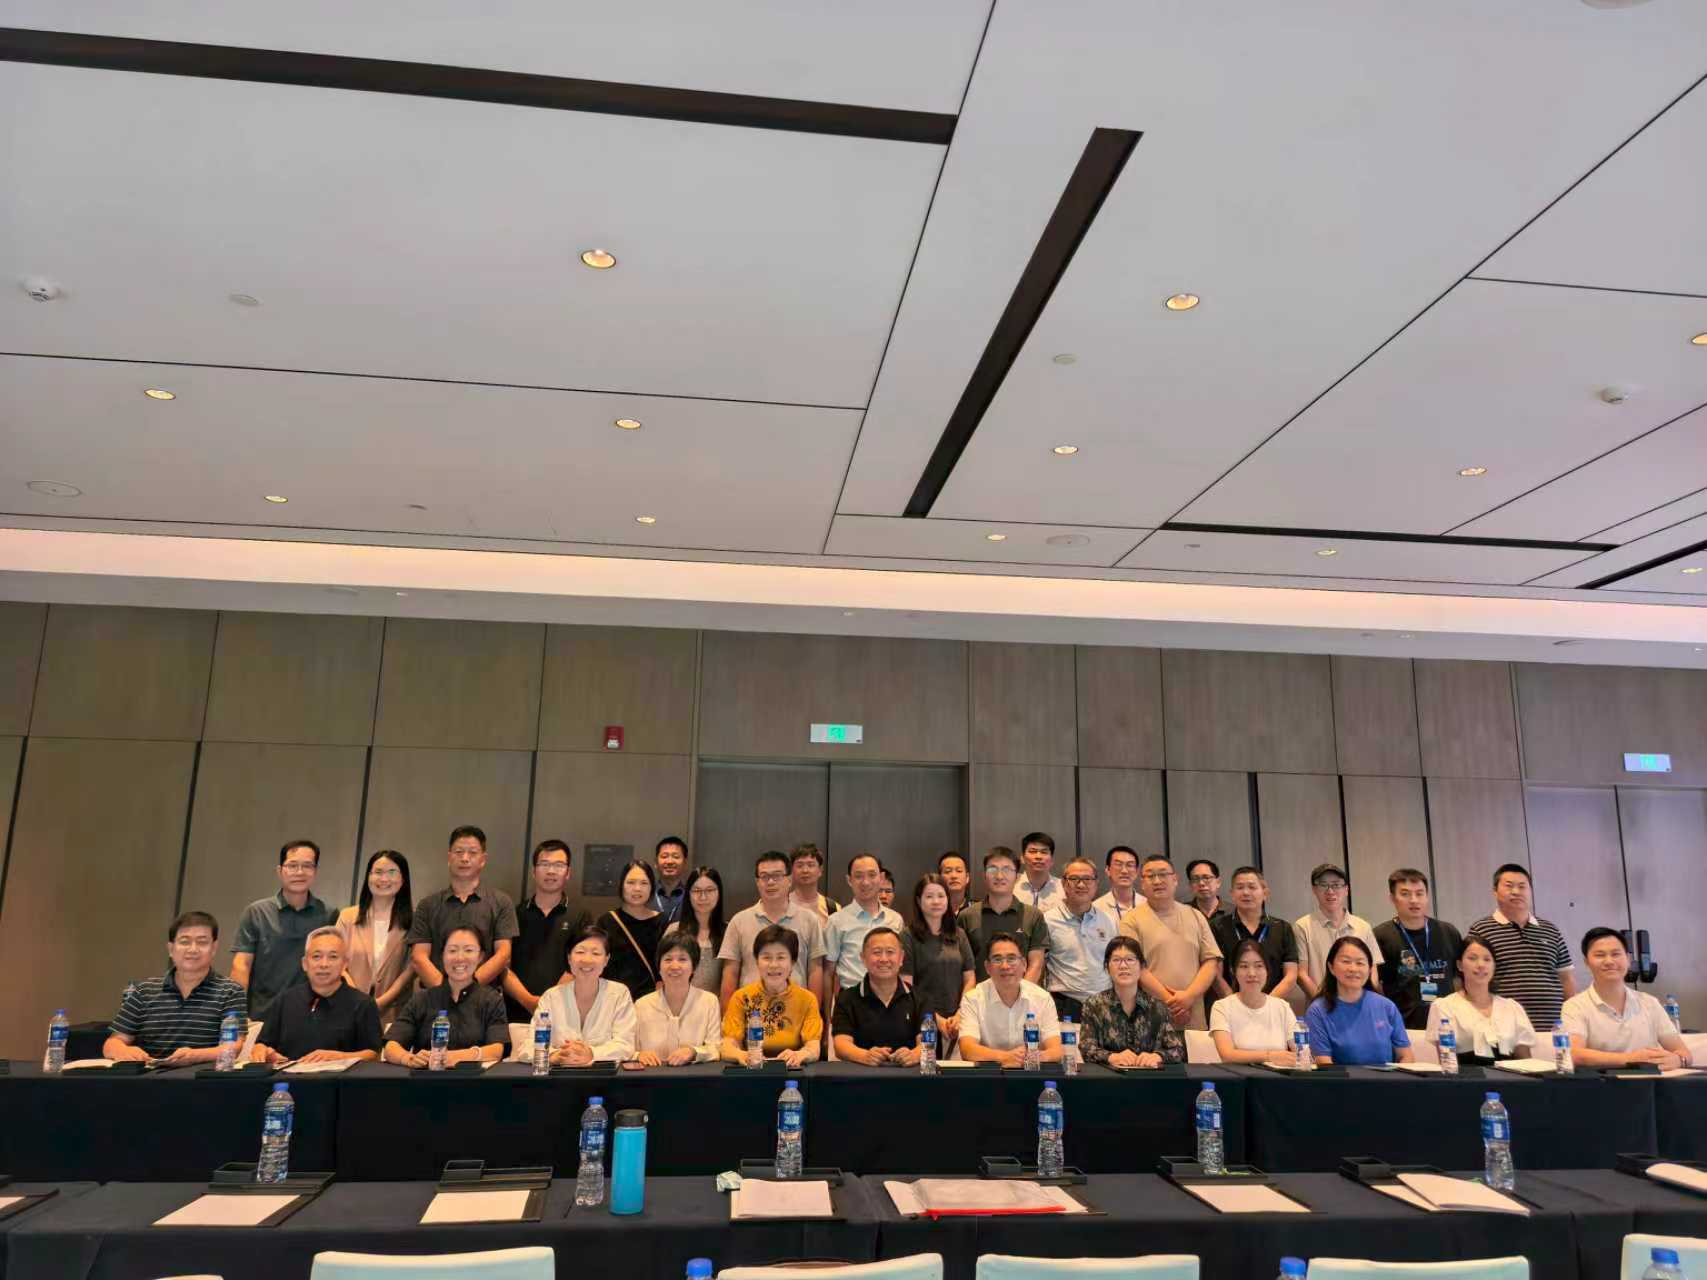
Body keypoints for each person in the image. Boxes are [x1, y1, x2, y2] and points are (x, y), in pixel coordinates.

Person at [104, 911, 248, 1063]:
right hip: (149, 1074)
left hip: (203, 1075)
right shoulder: (144, 991)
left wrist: (195, 1056)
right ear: (171, 949)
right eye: (185, 942)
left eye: (202, 942)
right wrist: (123, 1050)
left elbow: (233, 1046)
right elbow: (112, 1043)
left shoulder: (231, 992)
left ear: (214, 948)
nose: (193, 949)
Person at [230, 839, 336, 1019]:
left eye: (307, 866)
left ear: (315, 872)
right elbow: (241, 965)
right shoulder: (257, 912)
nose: (300, 872)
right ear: (280, 871)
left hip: (310, 1017)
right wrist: (237, 1015)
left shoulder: (329, 915)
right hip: (260, 1015)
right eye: (292, 865)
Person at [1561, 927, 1694, 1070]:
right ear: (1587, 962)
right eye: (1600, 955)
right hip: (1602, 1082)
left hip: (1650, 1082)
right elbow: (1574, 1054)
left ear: (1628, 960)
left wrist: (1678, 1060)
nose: (1609, 961)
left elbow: (1684, 1053)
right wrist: (1631, 1059)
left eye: (1616, 954)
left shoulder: (1649, 1003)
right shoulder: (1575, 1006)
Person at [1467, 864, 1577, 1034]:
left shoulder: (1550, 930)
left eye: (1522, 886)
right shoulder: (1481, 930)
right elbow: (1472, 979)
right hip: (1504, 1028)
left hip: (1553, 1027)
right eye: (1509, 886)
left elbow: (1566, 978)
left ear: (1530, 891)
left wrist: (1572, 1019)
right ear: (1495, 891)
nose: (1516, 892)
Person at [406, 825, 519, 989]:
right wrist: (446, 992)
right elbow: (419, 957)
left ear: (483, 859)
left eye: (472, 853)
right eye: (459, 852)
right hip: (434, 997)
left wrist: (467, 989)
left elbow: (503, 954)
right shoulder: (427, 905)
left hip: (485, 997)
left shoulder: (501, 902)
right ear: (449, 857)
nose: (465, 858)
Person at [1118, 856, 1222, 1030]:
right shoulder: (1131, 920)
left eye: (1163, 874)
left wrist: (1189, 996)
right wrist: (1172, 1002)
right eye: (1150, 876)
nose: (1157, 881)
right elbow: (1135, 967)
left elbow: (1211, 962)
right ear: (1142, 883)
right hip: (1151, 1019)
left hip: (1194, 1015)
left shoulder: (1195, 915)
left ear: (1175, 879)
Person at [251, 927, 382, 1064]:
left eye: (333, 957)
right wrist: (263, 1052)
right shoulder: (285, 1000)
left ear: (345, 964)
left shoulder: (363, 1004)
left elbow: (374, 1054)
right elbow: (262, 1044)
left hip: (341, 1077)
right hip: (289, 1076)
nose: (324, 964)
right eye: (316, 957)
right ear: (304, 964)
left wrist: (339, 1057)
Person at [383, 924, 508, 1066]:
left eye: (468, 950)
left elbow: (497, 1050)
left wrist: (455, 1057)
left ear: (480, 956)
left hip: (474, 1078)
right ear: (442, 955)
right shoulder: (422, 999)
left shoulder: (491, 1000)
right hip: (428, 1077)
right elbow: (391, 1046)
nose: (460, 958)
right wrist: (408, 1058)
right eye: (452, 950)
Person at [719, 851, 827, 1008]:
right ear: (757, 882)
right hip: (751, 1012)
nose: (770, 882)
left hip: (796, 1012)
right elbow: (731, 972)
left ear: (789, 880)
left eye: (777, 876)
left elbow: (815, 970)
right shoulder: (739, 921)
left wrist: (812, 1013)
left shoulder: (809, 920)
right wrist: (728, 1015)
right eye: (764, 877)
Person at [502, 839, 592, 1023]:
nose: (551, 871)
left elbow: (582, 963)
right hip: (517, 1012)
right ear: (534, 871)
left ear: (568, 872)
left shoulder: (581, 915)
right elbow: (503, 965)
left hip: (565, 1013)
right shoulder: (515, 914)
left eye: (558, 865)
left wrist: (549, 1002)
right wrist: (528, 1001)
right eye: (544, 864)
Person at [721, 925, 823, 1068]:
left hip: (792, 1072)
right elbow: (727, 1046)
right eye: (766, 957)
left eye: (781, 957)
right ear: (757, 961)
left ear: (793, 962)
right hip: (752, 1071)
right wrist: (741, 1055)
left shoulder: (807, 999)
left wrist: (800, 1054)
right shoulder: (742, 997)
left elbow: (814, 1047)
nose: (774, 965)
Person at [1373, 868, 1463, 1030]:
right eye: (1405, 894)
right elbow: (1376, 986)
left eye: (1419, 893)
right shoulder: (1380, 936)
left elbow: (1459, 978)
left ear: (1427, 896)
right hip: (1403, 1027)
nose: (1414, 900)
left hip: (1448, 1025)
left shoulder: (1448, 932)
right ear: (1392, 898)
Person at [1304, 937, 1414, 1066]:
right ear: (1331, 967)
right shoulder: (1317, 1011)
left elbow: (1406, 1056)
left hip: (1389, 1078)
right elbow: (1324, 1064)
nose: (1353, 969)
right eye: (1346, 961)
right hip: (1341, 1078)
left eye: (1360, 963)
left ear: (1370, 969)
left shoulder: (1386, 1006)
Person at [335, 849, 415, 1026]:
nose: (384, 879)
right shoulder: (347, 917)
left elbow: (411, 968)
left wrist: (381, 1002)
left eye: (392, 872)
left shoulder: (414, 921)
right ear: (368, 877)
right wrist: (357, 998)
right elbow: (336, 960)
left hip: (393, 1013)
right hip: (348, 1008)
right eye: (378, 872)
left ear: (403, 879)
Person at [1424, 935, 1535, 1063]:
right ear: (1459, 965)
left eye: (1487, 959)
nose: (1481, 965)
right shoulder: (1444, 1007)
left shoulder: (1512, 1008)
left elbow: (1526, 1063)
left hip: (1511, 1075)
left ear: (1494, 966)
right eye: (1472, 958)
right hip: (1466, 1075)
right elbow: (1447, 1062)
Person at [1080, 936, 1186, 1068]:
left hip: (1148, 1076)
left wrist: (1157, 1056)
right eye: (1116, 960)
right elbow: (1086, 1048)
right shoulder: (1094, 1005)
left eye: (1130, 959)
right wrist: (1112, 1057)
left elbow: (1177, 1050)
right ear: (1107, 967)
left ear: (1142, 967)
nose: (1123, 966)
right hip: (1109, 1077)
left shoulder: (1157, 1007)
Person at [958, 933, 1063, 1065]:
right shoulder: (972, 999)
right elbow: (967, 1049)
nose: (1005, 966)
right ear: (987, 967)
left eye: (1011, 959)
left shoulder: (1042, 998)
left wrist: (1034, 1057)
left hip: (1031, 1071)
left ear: (1024, 964)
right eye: (997, 959)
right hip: (989, 1073)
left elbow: (1057, 1050)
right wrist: (1005, 1057)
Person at [536, 926, 637, 1063]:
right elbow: (530, 1044)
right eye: (580, 952)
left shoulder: (619, 994)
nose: (587, 959)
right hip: (560, 1074)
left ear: (606, 960)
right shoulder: (551, 997)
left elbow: (625, 1045)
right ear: (569, 958)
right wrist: (554, 1055)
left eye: (596, 953)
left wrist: (591, 1053)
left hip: (604, 1075)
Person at [900, 873, 976, 1047]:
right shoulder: (908, 936)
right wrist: (936, 1019)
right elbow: (907, 985)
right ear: (918, 901)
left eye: (941, 896)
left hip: (958, 1020)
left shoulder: (958, 934)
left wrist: (960, 1013)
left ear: (948, 900)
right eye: (929, 896)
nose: (936, 901)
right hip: (922, 1021)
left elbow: (970, 978)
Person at [831, 927, 924, 1066]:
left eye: (890, 952)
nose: (884, 959)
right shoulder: (846, 998)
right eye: (877, 952)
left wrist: (914, 1055)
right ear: (863, 958)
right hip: (861, 1076)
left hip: (909, 1075)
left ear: (901, 958)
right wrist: (865, 1056)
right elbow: (841, 1044)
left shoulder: (920, 998)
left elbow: (928, 1043)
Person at [1041, 857, 1119, 1021]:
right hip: (1065, 1004)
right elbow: (1039, 965)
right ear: (1064, 883)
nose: (1081, 885)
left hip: (1105, 1003)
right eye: (1074, 879)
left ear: (1096, 883)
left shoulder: (1108, 920)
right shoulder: (1048, 920)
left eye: (1087, 879)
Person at [1293, 863, 1382, 1007]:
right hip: (1321, 1009)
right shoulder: (1302, 926)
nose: (1330, 891)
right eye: (1323, 885)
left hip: (1360, 1007)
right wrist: (1325, 1004)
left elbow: (1372, 971)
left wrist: (1362, 1002)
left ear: (1346, 890)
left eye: (1336, 885)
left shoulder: (1363, 927)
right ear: (1314, 890)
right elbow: (1301, 974)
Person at [957, 847, 1050, 982]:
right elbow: (964, 968)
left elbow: (1036, 964)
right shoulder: (967, 916)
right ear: (984, 876)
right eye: (992, 869)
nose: (999, 876)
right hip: (979, 993)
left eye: (1007, 870)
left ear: (1017, 877)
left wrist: (1020, 993)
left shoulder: (1033, 915)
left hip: (1022, 993)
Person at [633, 934, 722, 1066]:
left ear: (694, 967)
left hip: (694, 1076)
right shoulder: (642, 1005)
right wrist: (638, 1054)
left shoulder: (709, 1001)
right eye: (668, 959)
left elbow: (716, 1048)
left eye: (682, 959)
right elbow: (628, 1047)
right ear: (659, 967)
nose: (674, 966)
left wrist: (693, 1052)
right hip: (650, 1074)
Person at [1210, 866, 1299, 1000]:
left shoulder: (1282, 928)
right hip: (1230, 1006)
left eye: (1252, 887)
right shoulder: (1217, 927)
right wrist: (1235, 1005)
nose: (1246, 892)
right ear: (1232, 894)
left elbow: (1291, 975)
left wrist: (1267, 1005)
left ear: (1265, 893)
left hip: (1272, 1005)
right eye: (1240, 887)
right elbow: (1216, 974)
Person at [823, 853, 906, 995]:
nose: (866, 882)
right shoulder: (836, 921)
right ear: (849, 880)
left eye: (872, 875)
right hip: (851, 998)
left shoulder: (896, 919)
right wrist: (829, 1010)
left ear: (881, 878)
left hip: (889, 998)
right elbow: (828, 972)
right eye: (859, 876)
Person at [1208, 939, 1296, 1066]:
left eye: (1259, 966)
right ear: (1233, 971)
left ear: (1267, 970)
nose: (1252, 973)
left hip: (1278, 1077)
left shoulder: (1282, 1007)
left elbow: (1301, 1051)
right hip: (1238, 1076)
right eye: (1244, 966)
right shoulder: (1221, 1007)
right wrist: (1270, 1056)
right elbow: (1227, 1055)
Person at [601, 860, 668, 1004]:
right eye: (631, 882)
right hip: (613, 1002)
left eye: (644, 883)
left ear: (652, 887)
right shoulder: (607, 922)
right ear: (621, 886)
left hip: (651, 1003)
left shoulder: (662, 922)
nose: (637, 888)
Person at [662, 866, 726, 993]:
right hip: (678, 1002)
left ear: (719, 893)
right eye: (696, 891)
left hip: (715, 1004)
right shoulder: (674, 930)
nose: (703, 897)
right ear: (688, 894)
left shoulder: (729, 931)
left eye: (710, 890)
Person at [789, 844, 839, 919]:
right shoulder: (780, 904)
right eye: (799, 866)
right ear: (792, 870)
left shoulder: (833, 908)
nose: (805, 870)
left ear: (820, 870)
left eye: (810, 865)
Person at [1014, 831, 1062, 908]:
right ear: (1022, 858)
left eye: (1044, 852)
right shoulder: (1011, 885)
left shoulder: (1063, 887)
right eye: (1032, 851)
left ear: (1052, 860)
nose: (1038, 856)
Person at [652, 836, 690, 925]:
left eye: (676, 857)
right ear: (656, 862)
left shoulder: (691, 897)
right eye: (664, 856)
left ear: (685, 863)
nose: (669, 862)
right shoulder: (646, 895)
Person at [1094, 846, 1140, 918]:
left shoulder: (1147, 904)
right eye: (1118, 865)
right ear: (1108, 870)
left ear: (1137, 872)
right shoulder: (1096, 908)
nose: (1124, 871)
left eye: (1130, 865)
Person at [937, 851, 972, 916]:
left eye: (959, 871)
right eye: (948, 871)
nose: (954, 876)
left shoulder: (977, 911)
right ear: (939, 878)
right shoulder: (933, 910)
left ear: (967, 877)